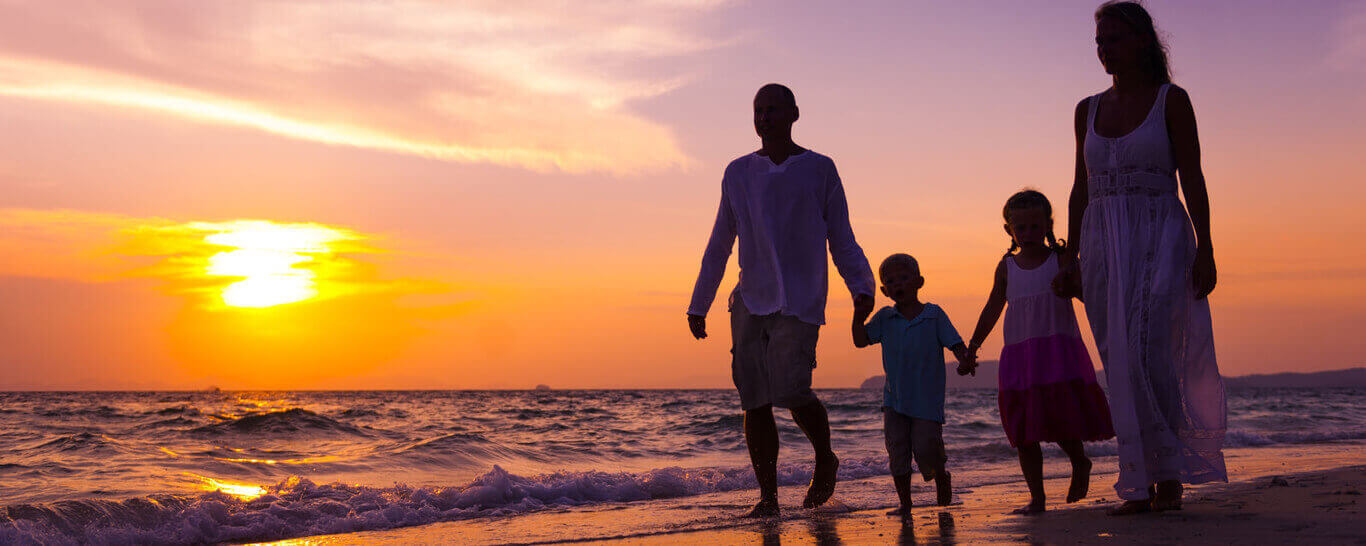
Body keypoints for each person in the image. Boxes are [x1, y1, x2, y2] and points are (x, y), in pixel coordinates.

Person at [1053, 1, 1228, 515]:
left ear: (1143, 41)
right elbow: (1078, 189)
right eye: (1099, 41)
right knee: (1120, 358)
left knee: (1153, 353)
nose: (1106, 49)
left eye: (1115, 38)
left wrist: (1208, 247)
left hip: (1161, 237)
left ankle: (1168, 477)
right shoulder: (1086, 108)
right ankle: (1139, 479)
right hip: (1103, 243)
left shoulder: (1171, 100)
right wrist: (1072, 258)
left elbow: (1192, 177)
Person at [687, 83, 876, 518]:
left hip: (800, 299)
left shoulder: (820, 169)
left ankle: (825, 457)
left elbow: (841, 237)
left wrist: (861, 287)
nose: (765, 117)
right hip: (750, 300)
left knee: (791, 389)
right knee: (754, 399)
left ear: (794, 114)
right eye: (758, 110)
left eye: (773, 109)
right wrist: (700, 302)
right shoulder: (737, 172)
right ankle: (768, 498)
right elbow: (721, 240)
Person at [965, 190, 1116, 514]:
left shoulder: (1060, 260)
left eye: (1036, 226)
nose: (1029, 234)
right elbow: (993, 305)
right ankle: (1038, 497)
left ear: (1049, 225)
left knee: (1062, 418)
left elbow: (1087, 295)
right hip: (1019, 356)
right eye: (1021, 228)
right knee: (1023, 429)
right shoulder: (1006, 267)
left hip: (1058, 352)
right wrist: (974, 345)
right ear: (1009, 230)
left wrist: (1072, 286)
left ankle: (1080, 462)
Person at [853, 253, 976, 516]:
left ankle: (941, 476)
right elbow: (861, 340)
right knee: (898, 453)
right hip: (894, 400)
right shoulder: (885, 318)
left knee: (926, 450)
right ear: (885, 290)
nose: (898, 284)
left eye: (904, 278)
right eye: (891, 281)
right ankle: (905, 504)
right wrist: (858, 316)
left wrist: (964, 359)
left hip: (927, 400)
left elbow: (955, 342)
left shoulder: (933, 315)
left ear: (919, 281)